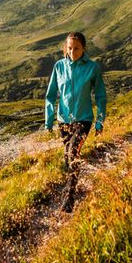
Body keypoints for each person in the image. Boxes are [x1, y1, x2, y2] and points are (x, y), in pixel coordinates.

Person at [44, 31, 107, 212]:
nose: (72, 52)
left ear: (84, 48)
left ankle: (69, 198)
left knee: (73, 152)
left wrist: (99, 121)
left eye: (77, 48)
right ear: (66, 48)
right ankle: (71, 185)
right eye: (70, 48)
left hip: (84, 119)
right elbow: (50, 96)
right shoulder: (59, 66)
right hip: (63, 121)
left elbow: (100, 96)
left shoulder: (92, 68)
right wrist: (49, 121)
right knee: (68, 157)